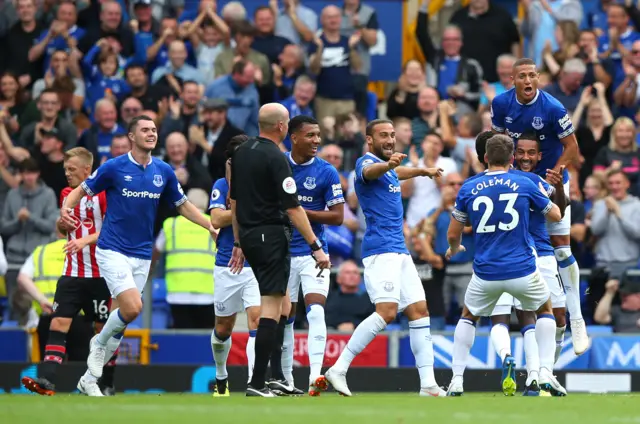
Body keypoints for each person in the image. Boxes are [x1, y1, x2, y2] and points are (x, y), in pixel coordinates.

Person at [60, 115, 215, 396]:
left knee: (122, 321)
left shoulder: (164, 171)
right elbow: (81, 190)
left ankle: (89, 379)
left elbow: (183, 206)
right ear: (132, 136)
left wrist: (210, 225)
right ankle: (97, 345)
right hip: (112, 249)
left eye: (154, 129)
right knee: (132, 308)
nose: (151, 133)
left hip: (142, 254)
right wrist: (66, 208)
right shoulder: (114, 167)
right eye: (145, 130)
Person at [323, 119, 445, 397]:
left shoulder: (389, 168)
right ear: (369, 140)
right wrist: (390, 166)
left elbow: (395, 172)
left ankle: (428, 384)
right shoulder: (365, 165)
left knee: (418, 311)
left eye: (392, 135)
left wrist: (421, 171)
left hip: (399, 251)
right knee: (386, 313)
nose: (390, 140)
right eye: (383, 136)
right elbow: (374, 171)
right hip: (380, 251)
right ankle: (339, 369)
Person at [445, 134, 565, 397]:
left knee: (468, 316)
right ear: (512, 158)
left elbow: (454, 234)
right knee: (544, 310)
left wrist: (454, 249)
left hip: (485, 272)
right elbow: (556, 214)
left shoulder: (468, 187)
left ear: (486, 158)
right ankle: (544, 371)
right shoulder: (524, 183)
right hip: (522, 269)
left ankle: (456, 380)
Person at [228, 103, 330, 397]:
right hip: (270, 235)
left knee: (284, 306)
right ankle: (258, 383)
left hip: (248, 234)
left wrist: (238, 241)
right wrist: (316, 246)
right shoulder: (276, 157)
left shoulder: (242, 152)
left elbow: (234, 201)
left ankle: (275, 380)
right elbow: (293, 207)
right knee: (271, 308)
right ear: (282, 127)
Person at [490, 57, 588, 355]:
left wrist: (557, 171)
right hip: (519, 179)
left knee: (561, 248)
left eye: (533, 75)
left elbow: (572, 147)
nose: (528, 81)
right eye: (522, 76)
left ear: (539, 78)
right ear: (513, 79)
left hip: (551, 178)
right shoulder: (501, 104)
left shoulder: (553, 108)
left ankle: (577, 319)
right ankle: (537, 316)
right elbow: (500, 141)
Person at [21, 147, 115, 396]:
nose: (67, 174)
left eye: (72, 169)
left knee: (102, 330)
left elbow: (112, 230)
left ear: (87, 170)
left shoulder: (104, 195)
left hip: (99, 276)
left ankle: (106, 383)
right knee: (59, 322)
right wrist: (61, 224)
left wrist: (85, 241)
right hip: (72, 273)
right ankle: (47, 380)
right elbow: (63, 229)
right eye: (65, 169)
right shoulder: (67, 194)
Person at [280, 115, 345, 395]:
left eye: (318, 135)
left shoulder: (327, 171)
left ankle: (315, 377)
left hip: (314, 254)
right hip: (281, 254)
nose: (317, 140)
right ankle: (286, 380)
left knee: (316, 311)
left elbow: (338, 217)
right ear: (294, 137)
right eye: (310, 136)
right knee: (286, 318)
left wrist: (300, 213)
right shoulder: (278, 165)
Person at [208, 135, 261, 397]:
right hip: (227, 263)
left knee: (257, 322)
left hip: (257, 264)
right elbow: (216, 218)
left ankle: (254, 383)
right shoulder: (221, 184)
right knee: (223, 329)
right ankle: (221, 376)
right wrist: (248, 208)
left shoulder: (262, 182)